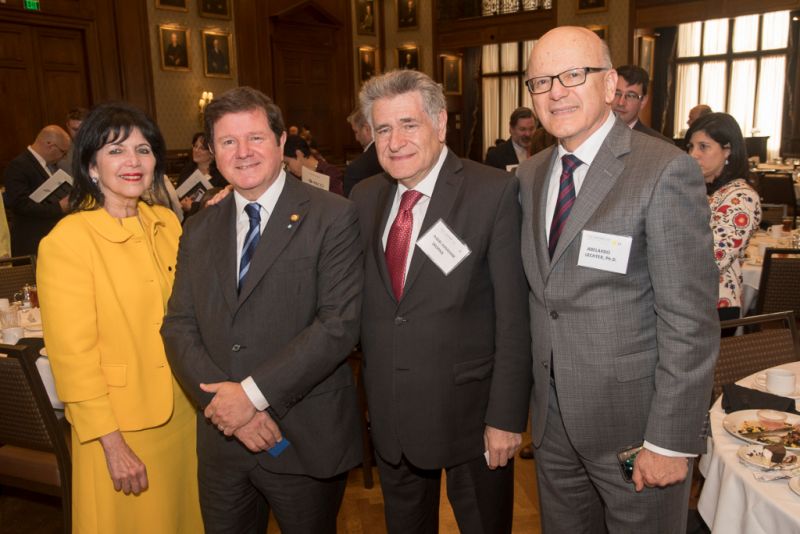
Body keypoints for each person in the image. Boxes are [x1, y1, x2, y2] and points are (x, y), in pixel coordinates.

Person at [518, 27, 719, 533]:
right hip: (552, 425)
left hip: (636, 430)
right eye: (541, 81)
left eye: (572, 75)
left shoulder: (664, 170)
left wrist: (669, 440)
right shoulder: (530, 176)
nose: (555, 92)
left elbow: (690, 321)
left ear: (609, 84)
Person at [160, 86, 363, 533]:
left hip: (301, 437)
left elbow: (338, 325)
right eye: (228, 141)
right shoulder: (199, 227)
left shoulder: (333, 216)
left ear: (280, 141)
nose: (243, 152)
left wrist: (250, 398)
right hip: (222, 443)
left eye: (255, 137)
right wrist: (226, 408)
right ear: (213, 152)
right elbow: (178, 326)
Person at [350, 69, 531, 534]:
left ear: (440, 123)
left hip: (472, 417)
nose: (395, 142)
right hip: (392, 417)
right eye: (383, 129)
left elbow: (514, 318)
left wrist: (506, 418)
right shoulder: (365, 197)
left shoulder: (492, 191)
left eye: (408, 125)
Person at [36, 102, 203, 533]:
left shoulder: (166, 223)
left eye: (143, 150)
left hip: (185, 412)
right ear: (91, 166)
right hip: (120, 426)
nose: (133, 161)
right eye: (115, 150)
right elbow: (72, 356)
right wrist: (111, 443)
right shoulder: (68, 241)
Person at [686, 112, 761, 328]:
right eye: (691, 147)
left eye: (703, 147)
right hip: (694, 301)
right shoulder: (706, 191)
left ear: (727, 150)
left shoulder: (741, 197)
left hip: (716, 304)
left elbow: (713, 259)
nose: (693, 155)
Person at [3, 125, 71, 256]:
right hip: (31, 241)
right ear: (50, 145)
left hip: (47, 238)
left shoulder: (49, 165)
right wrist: (59, 207)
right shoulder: (18, 165)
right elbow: (19, 205)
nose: (64, 157)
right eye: (63, 152)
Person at [613, 65, 671, 143]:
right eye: (616, 93)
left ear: (643, 101)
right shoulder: (596, 133)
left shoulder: (661, 144)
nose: (621, 103)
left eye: (631, 95)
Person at [176, 132, 227, 217]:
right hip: (185, 219)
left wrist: (193, 207)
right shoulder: (186, 171)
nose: (196, 150)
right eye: (195, 146)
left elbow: (221, 204)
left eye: (202, 148)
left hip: (209, 219)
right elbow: (178, 194)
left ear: (211, 153)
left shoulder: (220, 176)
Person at [344, 107, 383, 197]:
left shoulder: (356, 168)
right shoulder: (391, 154)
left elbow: (351, 204)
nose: (356, 138)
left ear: (366, 129)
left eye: (356, 132)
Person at [58, 107, 89, 173]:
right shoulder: (59, 147)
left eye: (83, 129)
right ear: (67, 126)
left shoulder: (98, 146)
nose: (79, 133)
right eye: (75, 129)